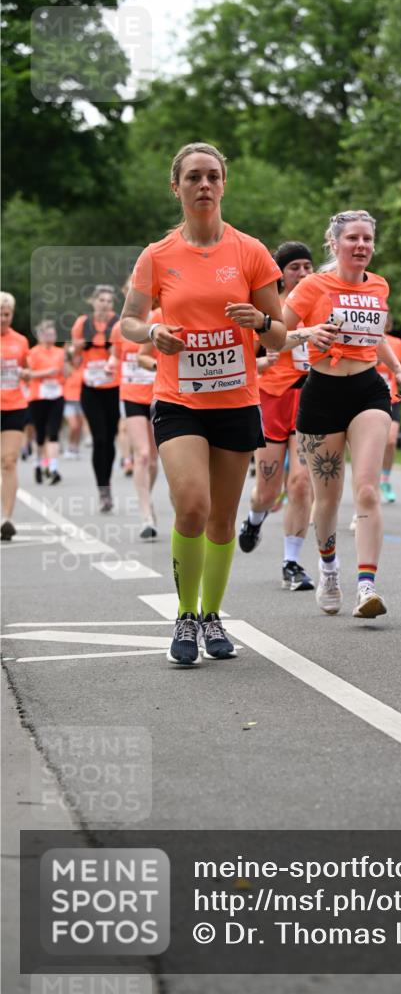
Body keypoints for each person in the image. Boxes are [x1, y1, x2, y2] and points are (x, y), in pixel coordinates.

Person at [120, 141, 285, 665]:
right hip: (179, 399)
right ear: (177, 187)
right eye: (193, 177)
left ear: (224, 184)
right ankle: (185, 615)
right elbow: (127, 323)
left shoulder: (250, 251)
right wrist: (154, 330)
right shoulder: (158, 255)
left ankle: (213, 617)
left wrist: (259, 323)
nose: (205, 185)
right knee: (192, 506)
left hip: (237, 401)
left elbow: (281, 335)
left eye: (213, 176)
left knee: (222, 518)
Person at [282, 210, 401, 619]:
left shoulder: (379, 285)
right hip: (321, 393)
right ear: (334, 244)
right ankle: (328, 569)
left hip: (368, 392)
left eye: (367, 239)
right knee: (327, 499)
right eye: (353, 238)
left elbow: (374, 339)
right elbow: (274, 336)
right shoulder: (312, 287)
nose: (361, 246)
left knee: (368, 489)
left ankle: (367, 585)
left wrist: (397, 368)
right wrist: (308, 333)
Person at [238, 241, 316, 591]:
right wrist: (260, 361)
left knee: (301, 483)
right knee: (267, 491)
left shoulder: (323, 307)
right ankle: (254, 519)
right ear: (281, 275)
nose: (303, 273)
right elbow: (242, 360)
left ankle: (292, 562)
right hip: (271, 400)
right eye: (295, 267)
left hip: (309, 400)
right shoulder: (269, 310)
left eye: (308, 266)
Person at [110, 306, 159, 539]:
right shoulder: (121, 327)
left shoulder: (161, 319)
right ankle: (146, 515)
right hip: (130, 394)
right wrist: (111, 363)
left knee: (153, 461)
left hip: (158, 393)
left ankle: (146, 500)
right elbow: (115, 354)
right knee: (142, 454)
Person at [70, 284, 121, 512]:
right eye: (101, 300)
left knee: (110, 439)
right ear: (93, 301)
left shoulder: (118, 324)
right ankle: (102, 489)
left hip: (113, 386)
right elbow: (74, 359)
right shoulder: (82, 323)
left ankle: (107, 483)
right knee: (99, 438)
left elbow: (123, 351)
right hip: (90, 387)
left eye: (109, 301)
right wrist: (76, 349)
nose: (105, 304)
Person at [0, 291, 29, 541]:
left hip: (14, 405)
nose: (2, 318)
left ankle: (5, 518)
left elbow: (27, 366)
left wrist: (26, 373)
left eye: (6, 314)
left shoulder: (20, 340)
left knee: (8, 460)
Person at [26, 319, 66, 485]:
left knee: (54, 431)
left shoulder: (60, 352)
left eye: (53, 333)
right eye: (47, 334)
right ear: (40, 336)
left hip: (57, 395)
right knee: (41, 434)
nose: (51, 337)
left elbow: (67, 372)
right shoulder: (33, 352)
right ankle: (38, 464)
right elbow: (27, 374)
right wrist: (46, 372)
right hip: (38, 397)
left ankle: (53, 468)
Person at [376, 314, 401, 504]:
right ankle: (368, 479)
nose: (387, 323)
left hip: (392, 397)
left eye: (389, 320)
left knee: (390, 441)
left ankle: (385, 480)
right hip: (371, 396)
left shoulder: (397, 343)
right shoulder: (368, 339)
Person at [62, 349, 84, 458]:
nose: (77, 359)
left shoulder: (83, 368)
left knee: (79, 427)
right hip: (68, 401)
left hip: (81, 401)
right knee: (73, 426)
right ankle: (69, 446)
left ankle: (75, 447)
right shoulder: (68, 368)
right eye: (75, 357)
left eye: (79, 357)